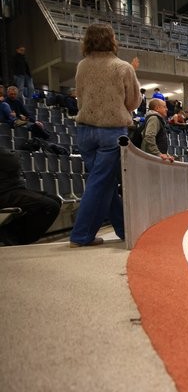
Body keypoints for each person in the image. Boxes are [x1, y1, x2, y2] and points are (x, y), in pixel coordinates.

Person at [70, 23, 141, 247]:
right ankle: (80, 235)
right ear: (112, 40)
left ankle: (124, 229)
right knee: (99, 184)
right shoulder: (122, 67)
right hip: (111, 132)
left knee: (104, 184)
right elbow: (133, 101)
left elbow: (80, 96)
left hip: (85, 132)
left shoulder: (82, 66)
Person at [0, 149, 62, 245]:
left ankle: (14, 233)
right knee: (50, 206)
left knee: (56, 199)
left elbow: (15, 158)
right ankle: (15, 236)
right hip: (5, 194)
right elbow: (14, 161)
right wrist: (14, 155)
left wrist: (14, 155)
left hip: (15, 189)